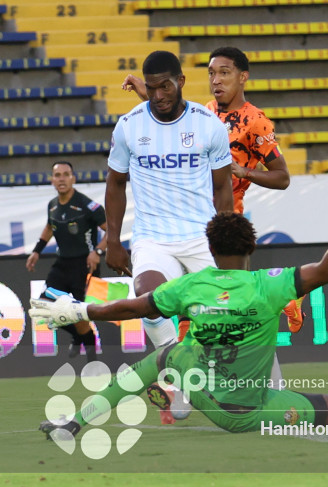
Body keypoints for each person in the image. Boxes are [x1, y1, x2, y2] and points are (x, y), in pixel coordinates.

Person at [31, 162, 328, 440]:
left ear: (210, 248)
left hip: (207, 395)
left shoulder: (191, 286)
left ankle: (77, 422)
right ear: (251, 247)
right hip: (254, 410)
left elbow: (133, 307)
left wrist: (80, 310)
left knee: (162, 357)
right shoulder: (267, 285)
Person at [122, 47, 306, 335]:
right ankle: (283, 298)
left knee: (234, 306)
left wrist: (244, 171)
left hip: (224, 217)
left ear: (243, 77)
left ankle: (284, 298)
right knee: (201, 306)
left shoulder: (255, 122)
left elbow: (282, 177)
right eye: (211, 73)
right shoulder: (206, 112)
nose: (216, 80)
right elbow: (167, 104)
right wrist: (142, 88)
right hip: (188, 220)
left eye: (224, 73)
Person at [106, 49, 234, 423]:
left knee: (232, 310)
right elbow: (115, 184)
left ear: (181, 81)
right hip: (153, 238)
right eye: (152, 88)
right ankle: (178, 371)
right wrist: (113, 241)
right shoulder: (128, 126)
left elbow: (222, 188)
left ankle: (254, 382)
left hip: (202, 236)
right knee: (149, 300)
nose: (159, 95)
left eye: (165, 86)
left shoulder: (208, 125)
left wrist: (226, 239)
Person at [26, 161, 107, 361]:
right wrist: (36, 251)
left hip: (85, 266)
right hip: (62, 264)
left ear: (73, 179)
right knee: (43, 306)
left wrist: (97, 251)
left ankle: (93, 364)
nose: (61, 179)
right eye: (57, 175)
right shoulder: (52, 205)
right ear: (52, 180)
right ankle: (77, 336)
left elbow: (111, 230)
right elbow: (49, 227)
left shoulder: (87, 205)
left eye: (66, 174)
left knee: (80, 315)